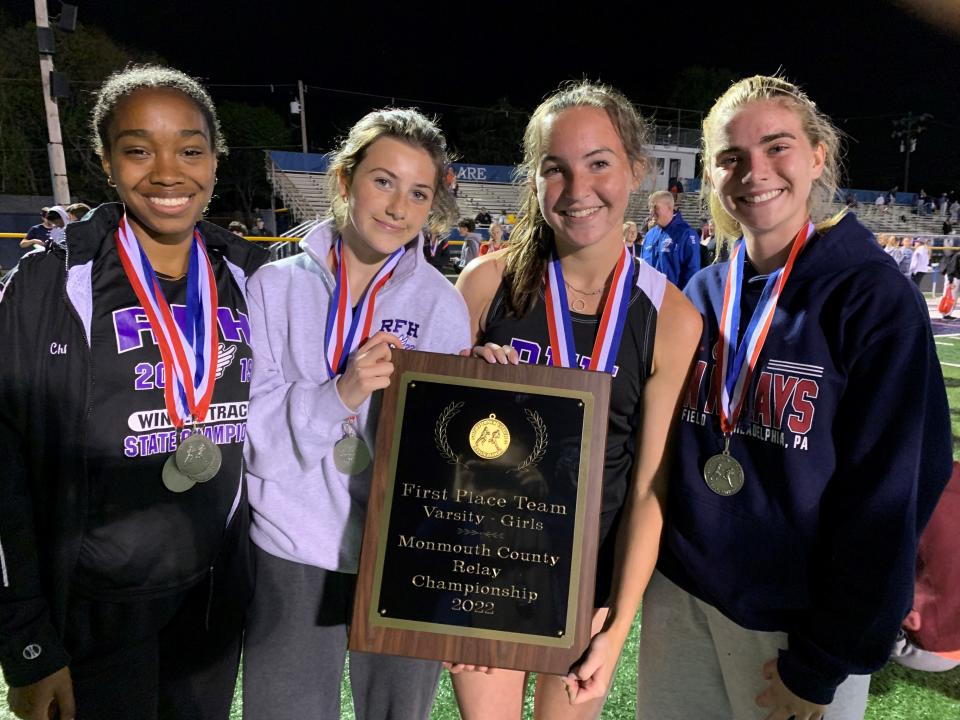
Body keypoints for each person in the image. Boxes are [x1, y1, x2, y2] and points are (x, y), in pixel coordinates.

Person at [637, 74, 952, 720]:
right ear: (712, 174)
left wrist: (823, 661)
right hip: (683, 599)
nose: (755, 171)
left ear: (817, 156)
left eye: (776, 147)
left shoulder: (873, 300)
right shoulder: (702, 293)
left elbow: (891, 498)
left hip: (795, 631)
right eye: (731, 156)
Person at [0, 64, 268, 720]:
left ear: (214, 157)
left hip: (209, 610)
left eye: (190, 149)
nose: (168, 172)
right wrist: (26, 639)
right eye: (139, 150)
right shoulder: (50, 283)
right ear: (107, 161)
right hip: (92, 615)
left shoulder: (250, 278)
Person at [449, 80, 701, 720]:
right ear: (534, 180)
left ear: (637, 173)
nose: (578, 188)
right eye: (555, 169)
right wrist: (460, 392)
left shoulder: (670, 317)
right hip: (488, 567)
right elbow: (432, 449)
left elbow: (650, 487)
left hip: (587, 589)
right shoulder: (485, 284)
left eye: (599, 164)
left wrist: (615, 630)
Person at [241, 107, 471, 720]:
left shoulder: (443, 306)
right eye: (383, 180)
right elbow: (253, 437)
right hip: (293, 546)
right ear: (345, 179)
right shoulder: (274, 286)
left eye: (419, 192)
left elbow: (448, 451)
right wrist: (339, 395)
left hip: (403, 554)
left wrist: (483, 388)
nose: (398, 205)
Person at [640, 190, 701, 289]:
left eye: (655, 207)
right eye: (650, 207)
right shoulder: (650, 235)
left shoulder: (686, 234)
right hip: (648, 300)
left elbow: (692, 272)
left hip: (674, 300)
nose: (651, 212)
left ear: (669, 208)